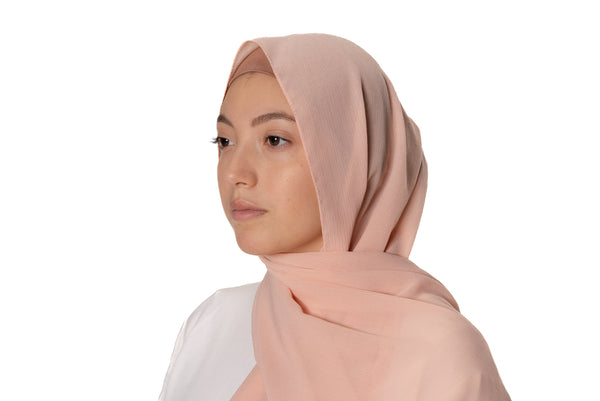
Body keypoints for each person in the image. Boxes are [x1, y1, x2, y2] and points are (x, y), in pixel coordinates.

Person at [159, 33, 511, 401]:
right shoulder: (213, 325)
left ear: (353, 157)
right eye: (225, 141)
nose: (235, 173)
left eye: (274, 140)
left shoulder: (441, 356)